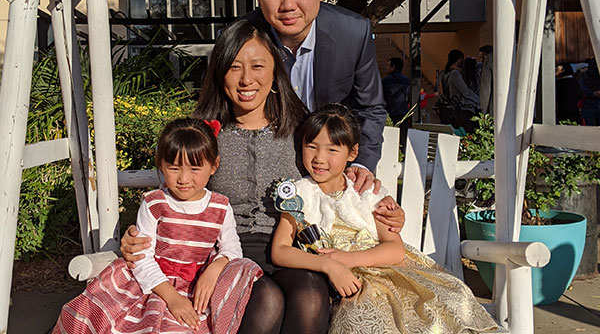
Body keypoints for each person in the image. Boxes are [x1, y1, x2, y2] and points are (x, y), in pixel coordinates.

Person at [120, 19, 406, 334]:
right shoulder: (203, 135)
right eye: (234, 68)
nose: (246, 79)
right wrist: (135, 237)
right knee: (266, 298)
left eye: (258, 66)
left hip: (292, 249)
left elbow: (338, 180)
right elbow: (173, 198)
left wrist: (383, 209)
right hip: (223, 252)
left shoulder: (303, 132)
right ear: (219, 74)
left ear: (274, 73)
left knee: (311, 295)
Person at [271, 104, 498, 333]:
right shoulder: (299, 194)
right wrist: (329, 265)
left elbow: (395, 249)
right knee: (364, 314)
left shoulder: (366, 191)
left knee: (446, 300)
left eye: (332, 150)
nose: (319, 158)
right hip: (348, 283)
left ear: (352, 153)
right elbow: (280, 250)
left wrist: (348, 259)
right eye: (311, 147)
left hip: (384, 269)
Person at [53, 118, 262, 333]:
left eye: (194, 169)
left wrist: (214, 270)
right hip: (156, 285)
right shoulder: (155, 203)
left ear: (214, 166)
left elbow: (232, 248)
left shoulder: (220, 206)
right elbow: (142, 256)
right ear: (161, 164)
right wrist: (172, 298)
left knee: (241, 270)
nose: (183, 178)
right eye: (174, 168)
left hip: (200, 286)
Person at [242, 0, 387, 190]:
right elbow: (219, 112)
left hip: (330, 172)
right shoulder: (240, 38)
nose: (288, 5)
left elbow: (370, 108)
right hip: (261, 175)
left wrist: (361, 165)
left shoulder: (353, 34)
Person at [440, 49, 480, 132]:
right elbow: (465, 91)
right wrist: (479, 100)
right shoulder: (455, 73)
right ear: (458, 59)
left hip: (459, 108)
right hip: (463, 108)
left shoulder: (451, 72)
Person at [382, 57, 410, 125]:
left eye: (389, 66)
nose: (387, 68)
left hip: (390, 112)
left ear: (393, 67)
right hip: (404, 112)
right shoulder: (407, 80)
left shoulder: (386, 80)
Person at [478, 45, 493, 115]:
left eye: (482, 58)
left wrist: (483, 112)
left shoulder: (489, 60)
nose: (481, 61)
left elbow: (485, 89)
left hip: (493, 107)